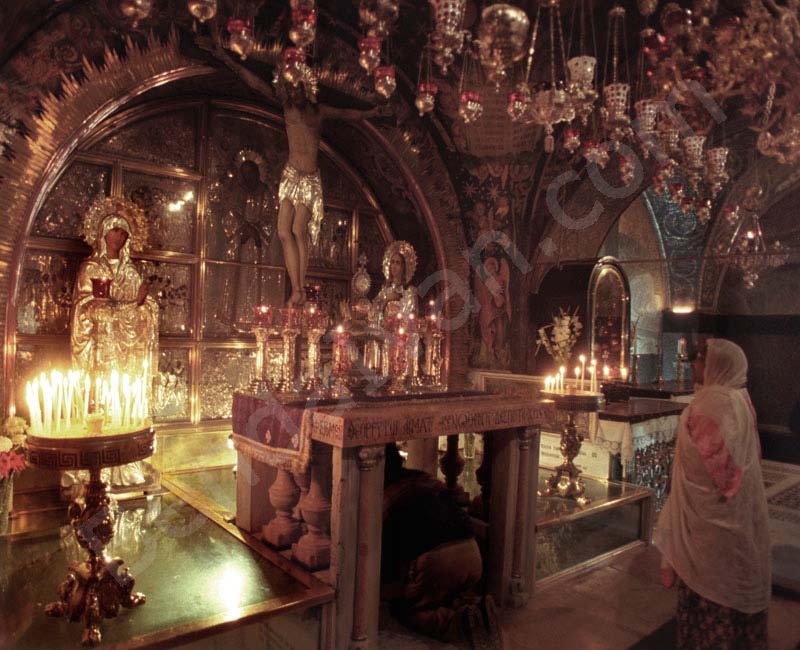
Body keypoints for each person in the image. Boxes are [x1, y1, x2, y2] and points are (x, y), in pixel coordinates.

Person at [196, 35, 388, 305]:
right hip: (290, 174)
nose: (294, 93)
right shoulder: (287, 108)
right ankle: (296, 288)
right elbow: (257, 84)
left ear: (306, 88)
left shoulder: (318, 112)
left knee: (299, 230)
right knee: (283, 231)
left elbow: (348, 114)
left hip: (308, 178)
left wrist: (372, 113)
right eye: (290, 88)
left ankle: (299, 287)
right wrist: (227, 59)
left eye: (298, 88)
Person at [655, 338, 770, 650]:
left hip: (710, 524)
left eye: (703, 358)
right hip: (734, 521)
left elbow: (722, 473)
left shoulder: (712, 403)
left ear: (720, 365)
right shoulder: (739, 397)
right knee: (733, 582)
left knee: (711, 590)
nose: (695, 363)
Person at [70, 197, 159, 487]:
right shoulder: (90, 269)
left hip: (125, 352)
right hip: (99, 351)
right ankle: (97, 468)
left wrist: (142, 305)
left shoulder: (131, 272)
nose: (119, 237)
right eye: (114, 231)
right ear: (103, 233)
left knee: (123, 401)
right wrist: (102, 305)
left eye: (124, 233)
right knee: (97, 400)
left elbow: (142, 308)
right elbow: (84, 307)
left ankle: (124, 465)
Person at [381, 443, 502, 649]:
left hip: (437, 563)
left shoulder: (381, 494)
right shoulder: (423, 477)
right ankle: (475, 607)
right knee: (443, 593)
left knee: (406, 610)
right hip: (472, 553)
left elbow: (388, 559)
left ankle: (456, 624)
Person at [373, 240, 418, 327]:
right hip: (384, 331)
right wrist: (387, 300)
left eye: (398, 263)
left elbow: (411, 315)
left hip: (401, 332)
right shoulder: (384, 290)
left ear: (403, 267)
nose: (394, 266)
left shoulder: (409, 291)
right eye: (392, 262)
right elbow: (375, 311)